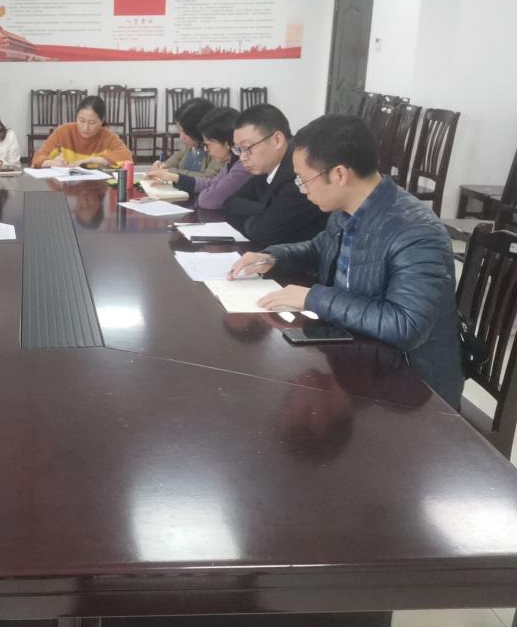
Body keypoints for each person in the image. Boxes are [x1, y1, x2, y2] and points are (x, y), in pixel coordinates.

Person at [229, 114, 464, 409]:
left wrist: (314, 298)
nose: (302, 189)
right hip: (358, 355)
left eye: (304, 180)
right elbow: (319, 248)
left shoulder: (416, 232)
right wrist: (273, 257)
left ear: (339, 174)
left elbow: (405, 325)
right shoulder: (348, 208)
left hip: (409, 389)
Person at [221, 103, 328, 244]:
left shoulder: (301, 174)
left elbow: (261, 233)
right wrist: (266, 211)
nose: (242, 157)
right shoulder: (266, 166)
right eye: (238, 149)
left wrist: (265, 215)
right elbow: (230, 204)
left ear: (277, 140)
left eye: (247, 148)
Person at [145, 106, 251, 210]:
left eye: (208, 144)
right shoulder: (230, 164)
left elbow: (208, 199)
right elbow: (211, 183)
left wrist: (170, 173)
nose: (206, 150)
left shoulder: (242, 166)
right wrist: (171, 176)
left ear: (227, 143)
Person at [31, 96, 133, 168]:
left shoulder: (108, 136)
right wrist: (51, 163)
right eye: (81, 120)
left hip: (97, 187)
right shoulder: (63, 132)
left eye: (92, 123)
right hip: (66, 187)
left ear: (102, 121)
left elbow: (127, 157)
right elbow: (37, 158)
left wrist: (91, 160)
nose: (85, 127)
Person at [152, 98, 219, 179]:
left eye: (185, 132)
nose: (181, 137)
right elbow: (177, 157)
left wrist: (171, 172)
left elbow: (208, 177)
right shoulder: (192, 145)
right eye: (179, 130)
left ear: (198, 130)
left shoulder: (217, 151)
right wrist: (163, 165)